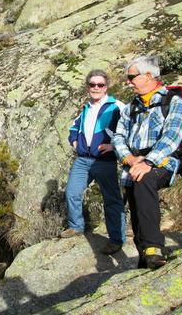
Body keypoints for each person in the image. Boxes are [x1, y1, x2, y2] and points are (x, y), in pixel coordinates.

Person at [112, 56, 182, 269]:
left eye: (131, 77)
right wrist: (128, 158)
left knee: (144, 180)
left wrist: (148, 162)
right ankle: (144, 255)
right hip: (133, 164)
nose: (128, 81)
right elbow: (118, 136)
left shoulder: (173, 102)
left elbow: (172, 137)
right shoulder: (130, 108)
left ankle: (154, 247)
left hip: (163, 162)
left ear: (148, 76)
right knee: (136, 205)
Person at [61, 69, 126, 255]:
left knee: (111, 200)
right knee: (72, 192)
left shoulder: (117, 106)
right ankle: (76, 226)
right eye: (92, 84)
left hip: (105, 161)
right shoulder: (86, 107)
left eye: (100, 85)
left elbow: (131, 130)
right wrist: (74, 140)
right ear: (87, 87)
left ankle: (116, 239)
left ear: (106, 87)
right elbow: (74, 127)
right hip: (83, 160)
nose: (96, 88)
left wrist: (114, 147)